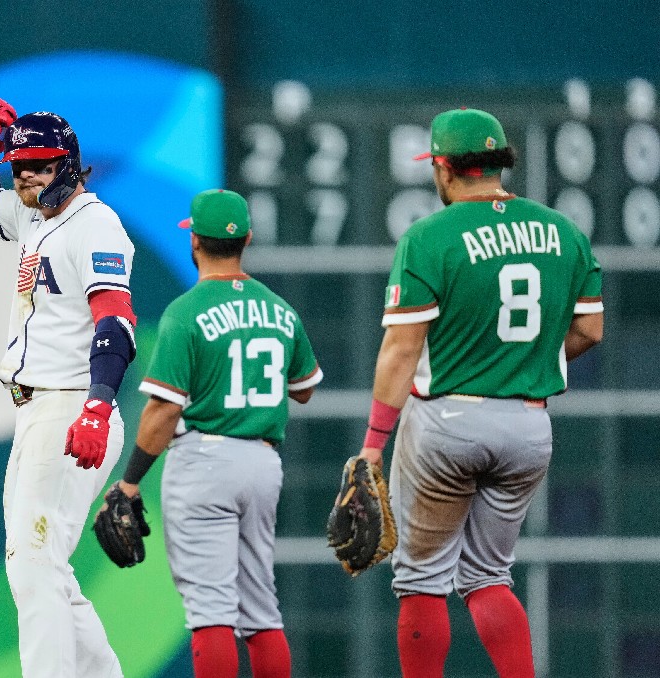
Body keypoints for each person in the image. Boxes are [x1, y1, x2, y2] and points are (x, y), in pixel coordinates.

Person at [357, 108, 604, 677]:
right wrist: (524, 361)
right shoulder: (562, 231)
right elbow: (590, 330)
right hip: (528, 427)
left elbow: (400, 350)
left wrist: (374, 443)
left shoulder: (428, 237)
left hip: (448, 421)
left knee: (421, 581)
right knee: (489, 577)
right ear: (498, 164)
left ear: (443, 168)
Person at [103, 189, 322, 678]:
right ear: (246, 238)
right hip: (263, 463)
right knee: (261, 609)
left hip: (204, 461)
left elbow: (162, 409)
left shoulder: (187, 311)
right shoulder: (279, 309)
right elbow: (304, 389)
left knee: (211, 611)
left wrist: (130, 481)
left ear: (194, 242)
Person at [0, 98, 137, 678]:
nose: (27, 175)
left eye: (42, 164)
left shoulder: (94, 223)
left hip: (71, 408)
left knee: (32, 562)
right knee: (44, 566)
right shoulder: (36, 215)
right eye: (19, 165)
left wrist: (98, 407)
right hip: (40, 411)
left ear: (71, 164)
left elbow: (117, 323)